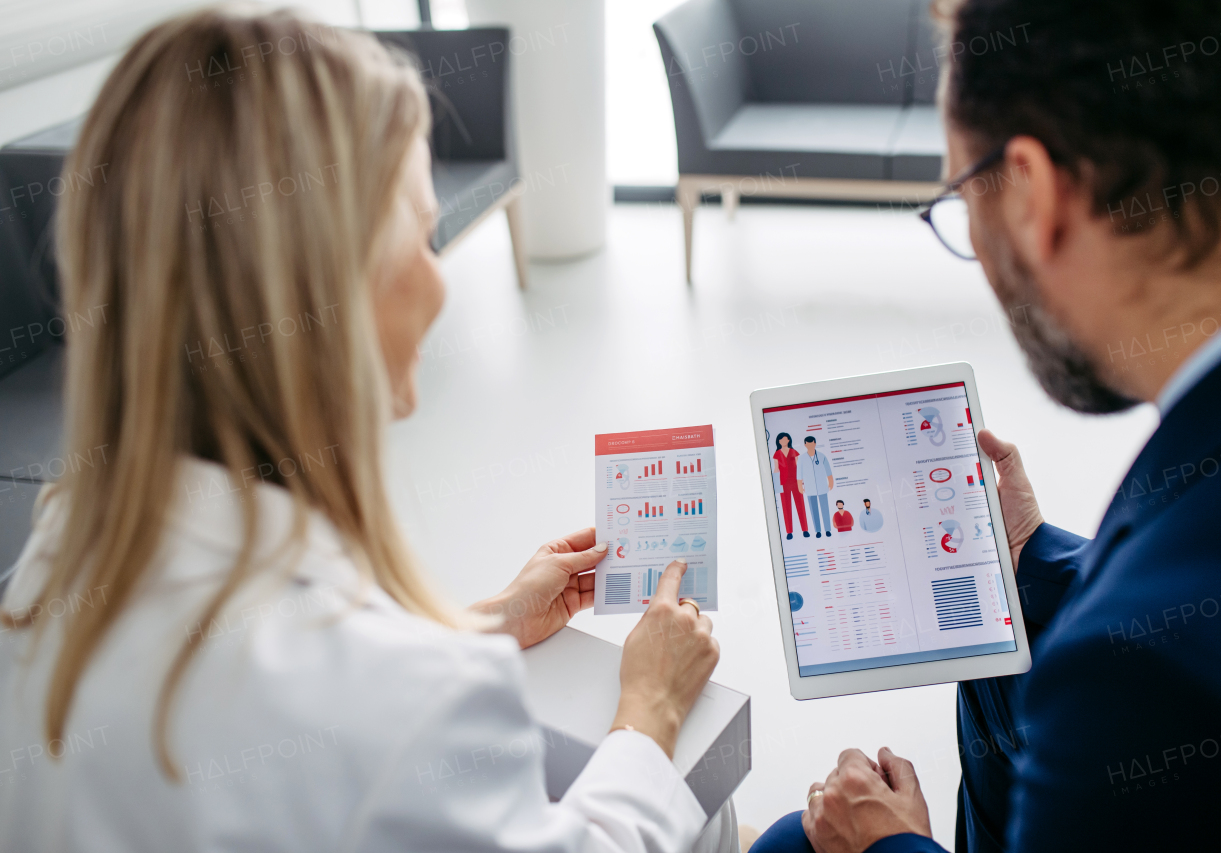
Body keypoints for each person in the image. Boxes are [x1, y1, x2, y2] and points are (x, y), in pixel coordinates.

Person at [0, 9, 731, 852]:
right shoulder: (417, 705)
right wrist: (650, 709)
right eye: (418, 236)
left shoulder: (52, 558)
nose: (443, 284)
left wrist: (487, 617)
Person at [753, 0, 1221, 851]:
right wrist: (1031, 552)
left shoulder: (1144, 689)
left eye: (961, 195)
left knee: (792, 841)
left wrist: (892, 844)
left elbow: (1172, 630)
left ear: (1033, 193)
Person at [772, 432, 809, 539]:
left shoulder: (794, 452)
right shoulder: (777, 454)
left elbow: (799, 467)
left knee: (800, 505)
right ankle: (789, 532)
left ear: (789, 440)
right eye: (781, 440)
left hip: (795, 482)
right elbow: (776, 469)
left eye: (785, 439)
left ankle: (805, 530)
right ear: (778, 442)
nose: (783, 441)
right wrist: (777, 486)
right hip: (783, 483)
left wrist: (802, 482)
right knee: (786, 507)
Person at [798, 437, 835, 537]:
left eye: (812, 444)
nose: (810, 446)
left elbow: (828, 471)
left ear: (815, 444)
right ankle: (818, 531)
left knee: (825, 508)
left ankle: (827, 529)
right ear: (805, 445)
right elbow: (799, 474)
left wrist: (831, 482)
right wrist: (800, 486)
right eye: (808, 444)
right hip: (810, 488)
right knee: (813, 510)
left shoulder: (822, 456)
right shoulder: (801, 458)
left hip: (822, 486)